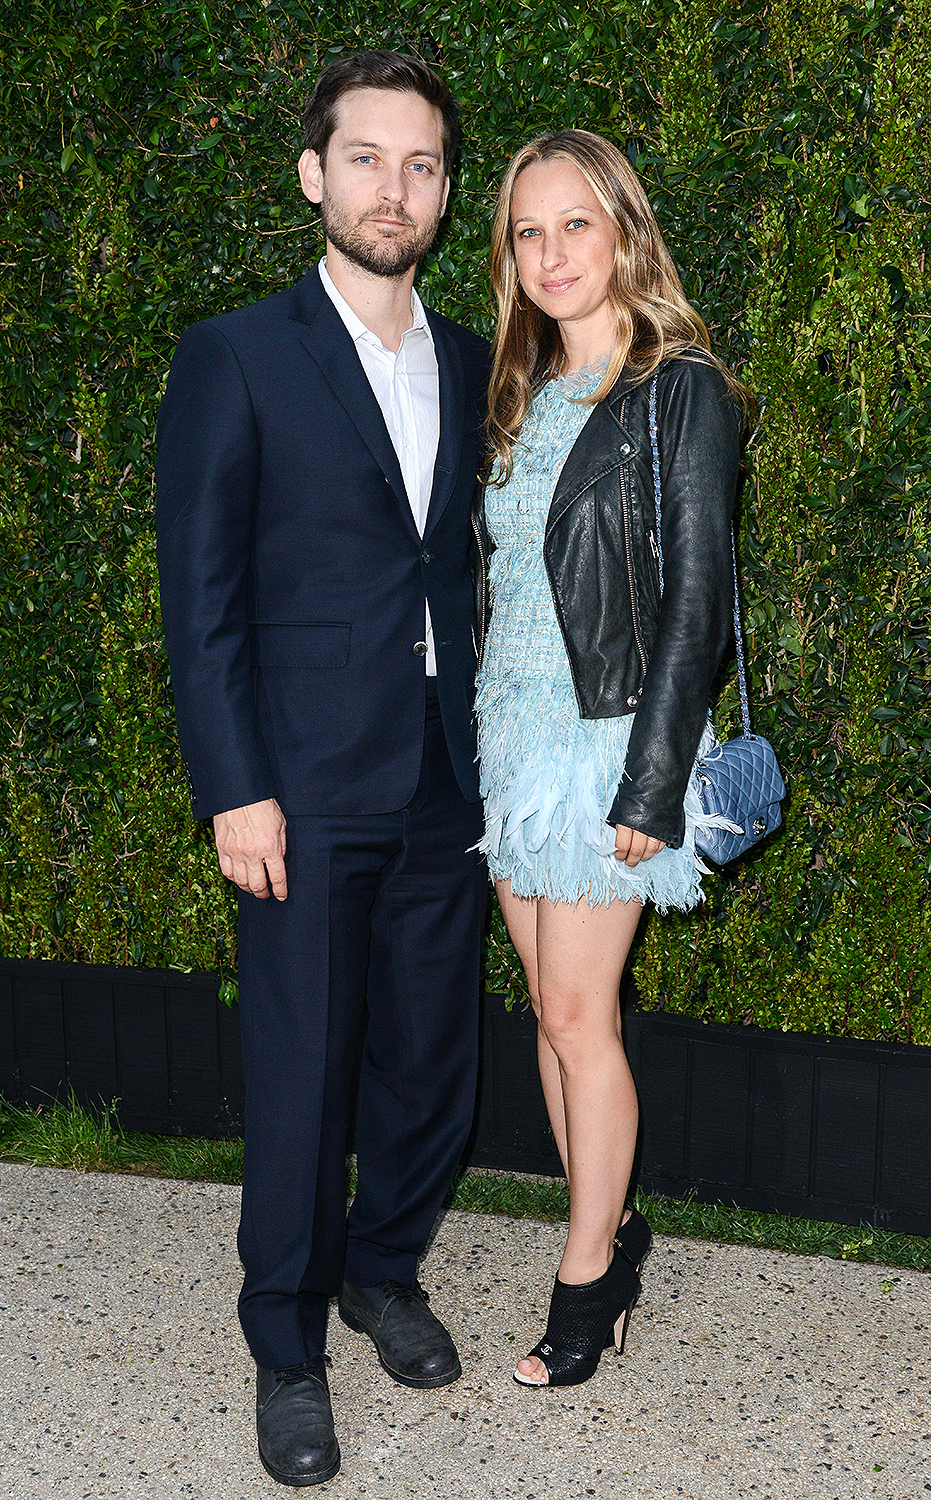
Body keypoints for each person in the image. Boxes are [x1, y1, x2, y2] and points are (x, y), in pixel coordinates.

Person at [155, 51, 489, 1486]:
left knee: (429, 1061)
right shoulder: (236, 355)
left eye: (419, 165)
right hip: (297, 781)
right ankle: (286, 1348)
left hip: (446, 775)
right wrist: (235, 785)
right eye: (366, 159)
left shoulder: (477, 360)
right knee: (303, 1071)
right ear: (314, 173)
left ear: (445, 192)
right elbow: (202, 590)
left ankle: (382, 1271)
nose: (392, 189)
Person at [471, 130, 749, 1388]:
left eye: (573, 224)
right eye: (528, 232)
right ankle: (607, 1220)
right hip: (507, 732)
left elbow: (695, 603)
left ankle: (589, 1282)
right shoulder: (517, 391)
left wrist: (651, 782)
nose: (550, 253)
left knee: (583, 1018)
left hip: (604, 745)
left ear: (624, 230)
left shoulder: (677, 387)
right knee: (548, 1011)